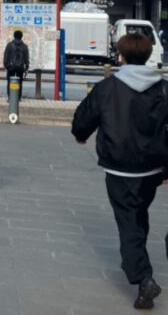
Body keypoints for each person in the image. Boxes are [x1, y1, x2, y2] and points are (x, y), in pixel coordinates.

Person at [71, 33, 168, 310]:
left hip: (119, 166)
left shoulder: (107, 87)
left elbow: (84, 117)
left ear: (121, 56)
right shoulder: (163, 88)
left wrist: (81, 135)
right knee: (138, 214)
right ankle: (140, 259)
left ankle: (143, 278)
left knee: (128, 221)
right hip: (152, 167)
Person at [2, 30, 29, 96]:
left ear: (14, 36)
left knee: (10, 82)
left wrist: (6, 65)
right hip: (20, 67)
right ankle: (18, 97)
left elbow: (6, 56)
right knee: (19, 82)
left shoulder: (9, 45)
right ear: (21, 37)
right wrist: (26, 67)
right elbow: (26, 58)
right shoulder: (24, 46)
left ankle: (10, 96)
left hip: (11, 67)